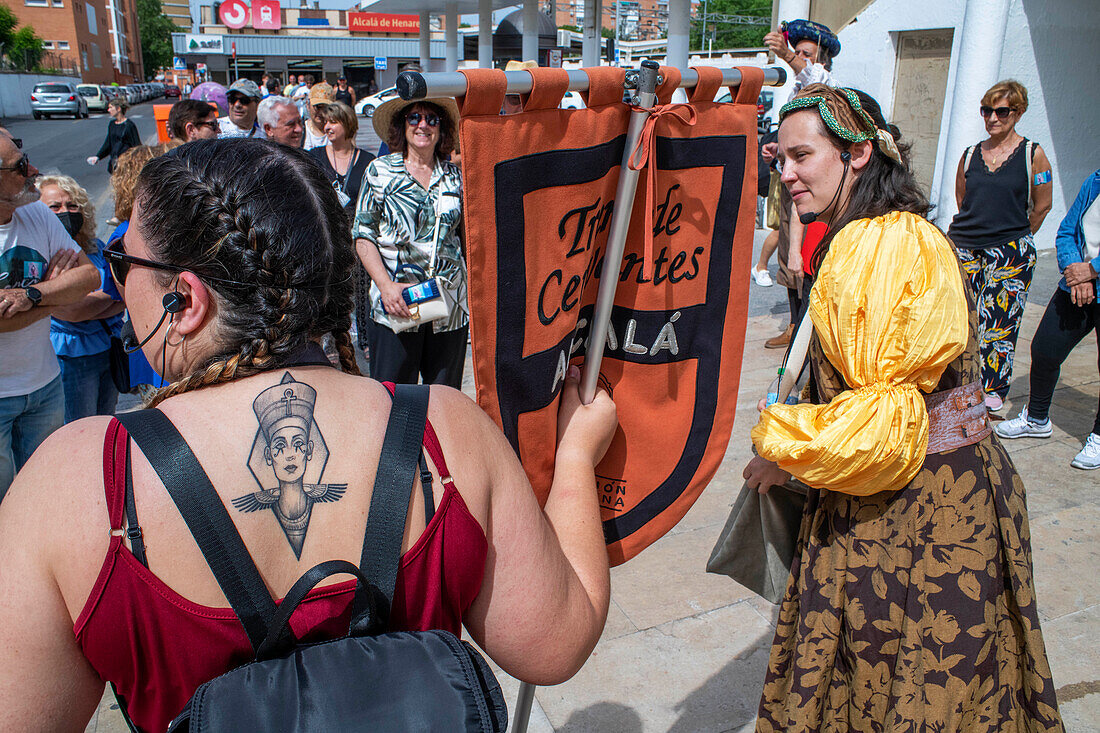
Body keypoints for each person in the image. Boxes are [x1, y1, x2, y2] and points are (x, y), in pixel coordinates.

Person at [0, 138, 617, 732]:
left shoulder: (77, 481)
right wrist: (576, 459)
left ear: (184, 298)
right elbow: (556, 645)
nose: (115, 281)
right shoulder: (446, 429)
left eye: (122, 262)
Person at [745, 85, 1064, 731]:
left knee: (916, 689)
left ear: (858, 152)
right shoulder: (861, 236)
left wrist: (783, 438)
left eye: (802, 156)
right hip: (895, 498)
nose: (786, 174)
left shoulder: (894, 245)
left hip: (922, 512)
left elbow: (884, 425)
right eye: (781, 158)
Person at [0, 128, 100, 499]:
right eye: (19, 166)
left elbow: (89, 275)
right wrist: (57, 297)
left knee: (46, 493)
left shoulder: (36, 214)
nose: (34, 171)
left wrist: (31, 294)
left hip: (45, 386)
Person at [948, 80, 1052, 411]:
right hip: (966, 247)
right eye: (987, 110)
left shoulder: (1032, 154)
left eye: (1001, 111)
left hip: (1010, 251)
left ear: (1018, 113)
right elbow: (963, 200)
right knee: (960, 319)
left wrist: (1015, 236)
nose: (993, 118)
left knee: (1000, 325)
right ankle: (958, 384)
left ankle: (992, 391)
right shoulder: (969, 155)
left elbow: (1042, 205)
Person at [354, 98, 467, 387]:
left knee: (443, 398)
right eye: (414, 117)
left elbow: (466, 238)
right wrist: (384, 286)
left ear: (442, 130)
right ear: (401, 126)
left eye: (432, 119)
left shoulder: (456, 177)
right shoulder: (380, 171)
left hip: (449, 307)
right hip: (397, 304)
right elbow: (363, 235)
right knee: (394, 398)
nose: (423, 125)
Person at [995, 167, 1100, 470]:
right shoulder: (1094, 180)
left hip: (1088, 275)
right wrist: (1077, 273)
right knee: (1044, 348)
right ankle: (1037, 418)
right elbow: (1067, 230)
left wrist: (1092, 270)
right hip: (1077, 284)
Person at [38, 175, 125, 423]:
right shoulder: (41, 256)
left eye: (72, 205)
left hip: (108, 346)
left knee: (107, 423)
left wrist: (93, 302)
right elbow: (71, 311)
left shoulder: (96, 248)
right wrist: (111, 297)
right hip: (71, 358)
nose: (65, 211)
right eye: (55, 207)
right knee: (80, 427)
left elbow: (125, 297)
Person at [307, 101, 373, 219]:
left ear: (348, 123)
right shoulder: (315, 156)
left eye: (333, 122)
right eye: (325, 122)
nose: (327, 127)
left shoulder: (368, 161)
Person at [763, 19, 840, 93]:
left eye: (806, 54)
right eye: (796, 53)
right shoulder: (796, 91)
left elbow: (813, 76)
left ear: (823, 61)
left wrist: (787, 54)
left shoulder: (828, 83)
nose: (799, 57)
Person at [85, 98, 141, 173]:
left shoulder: (129, 126)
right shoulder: (112, 124)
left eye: (111, 107)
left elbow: (137, 146)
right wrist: (98, 156)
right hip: (114, 164)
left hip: (126, 166)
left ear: (118, 109)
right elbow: (108, 144)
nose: (108, 110)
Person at [303, 82, 335, 151]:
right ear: (308, 105)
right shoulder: (301, 132)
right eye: (317, 107)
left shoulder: (338, 132)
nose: (321, 112)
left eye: (326, 108)